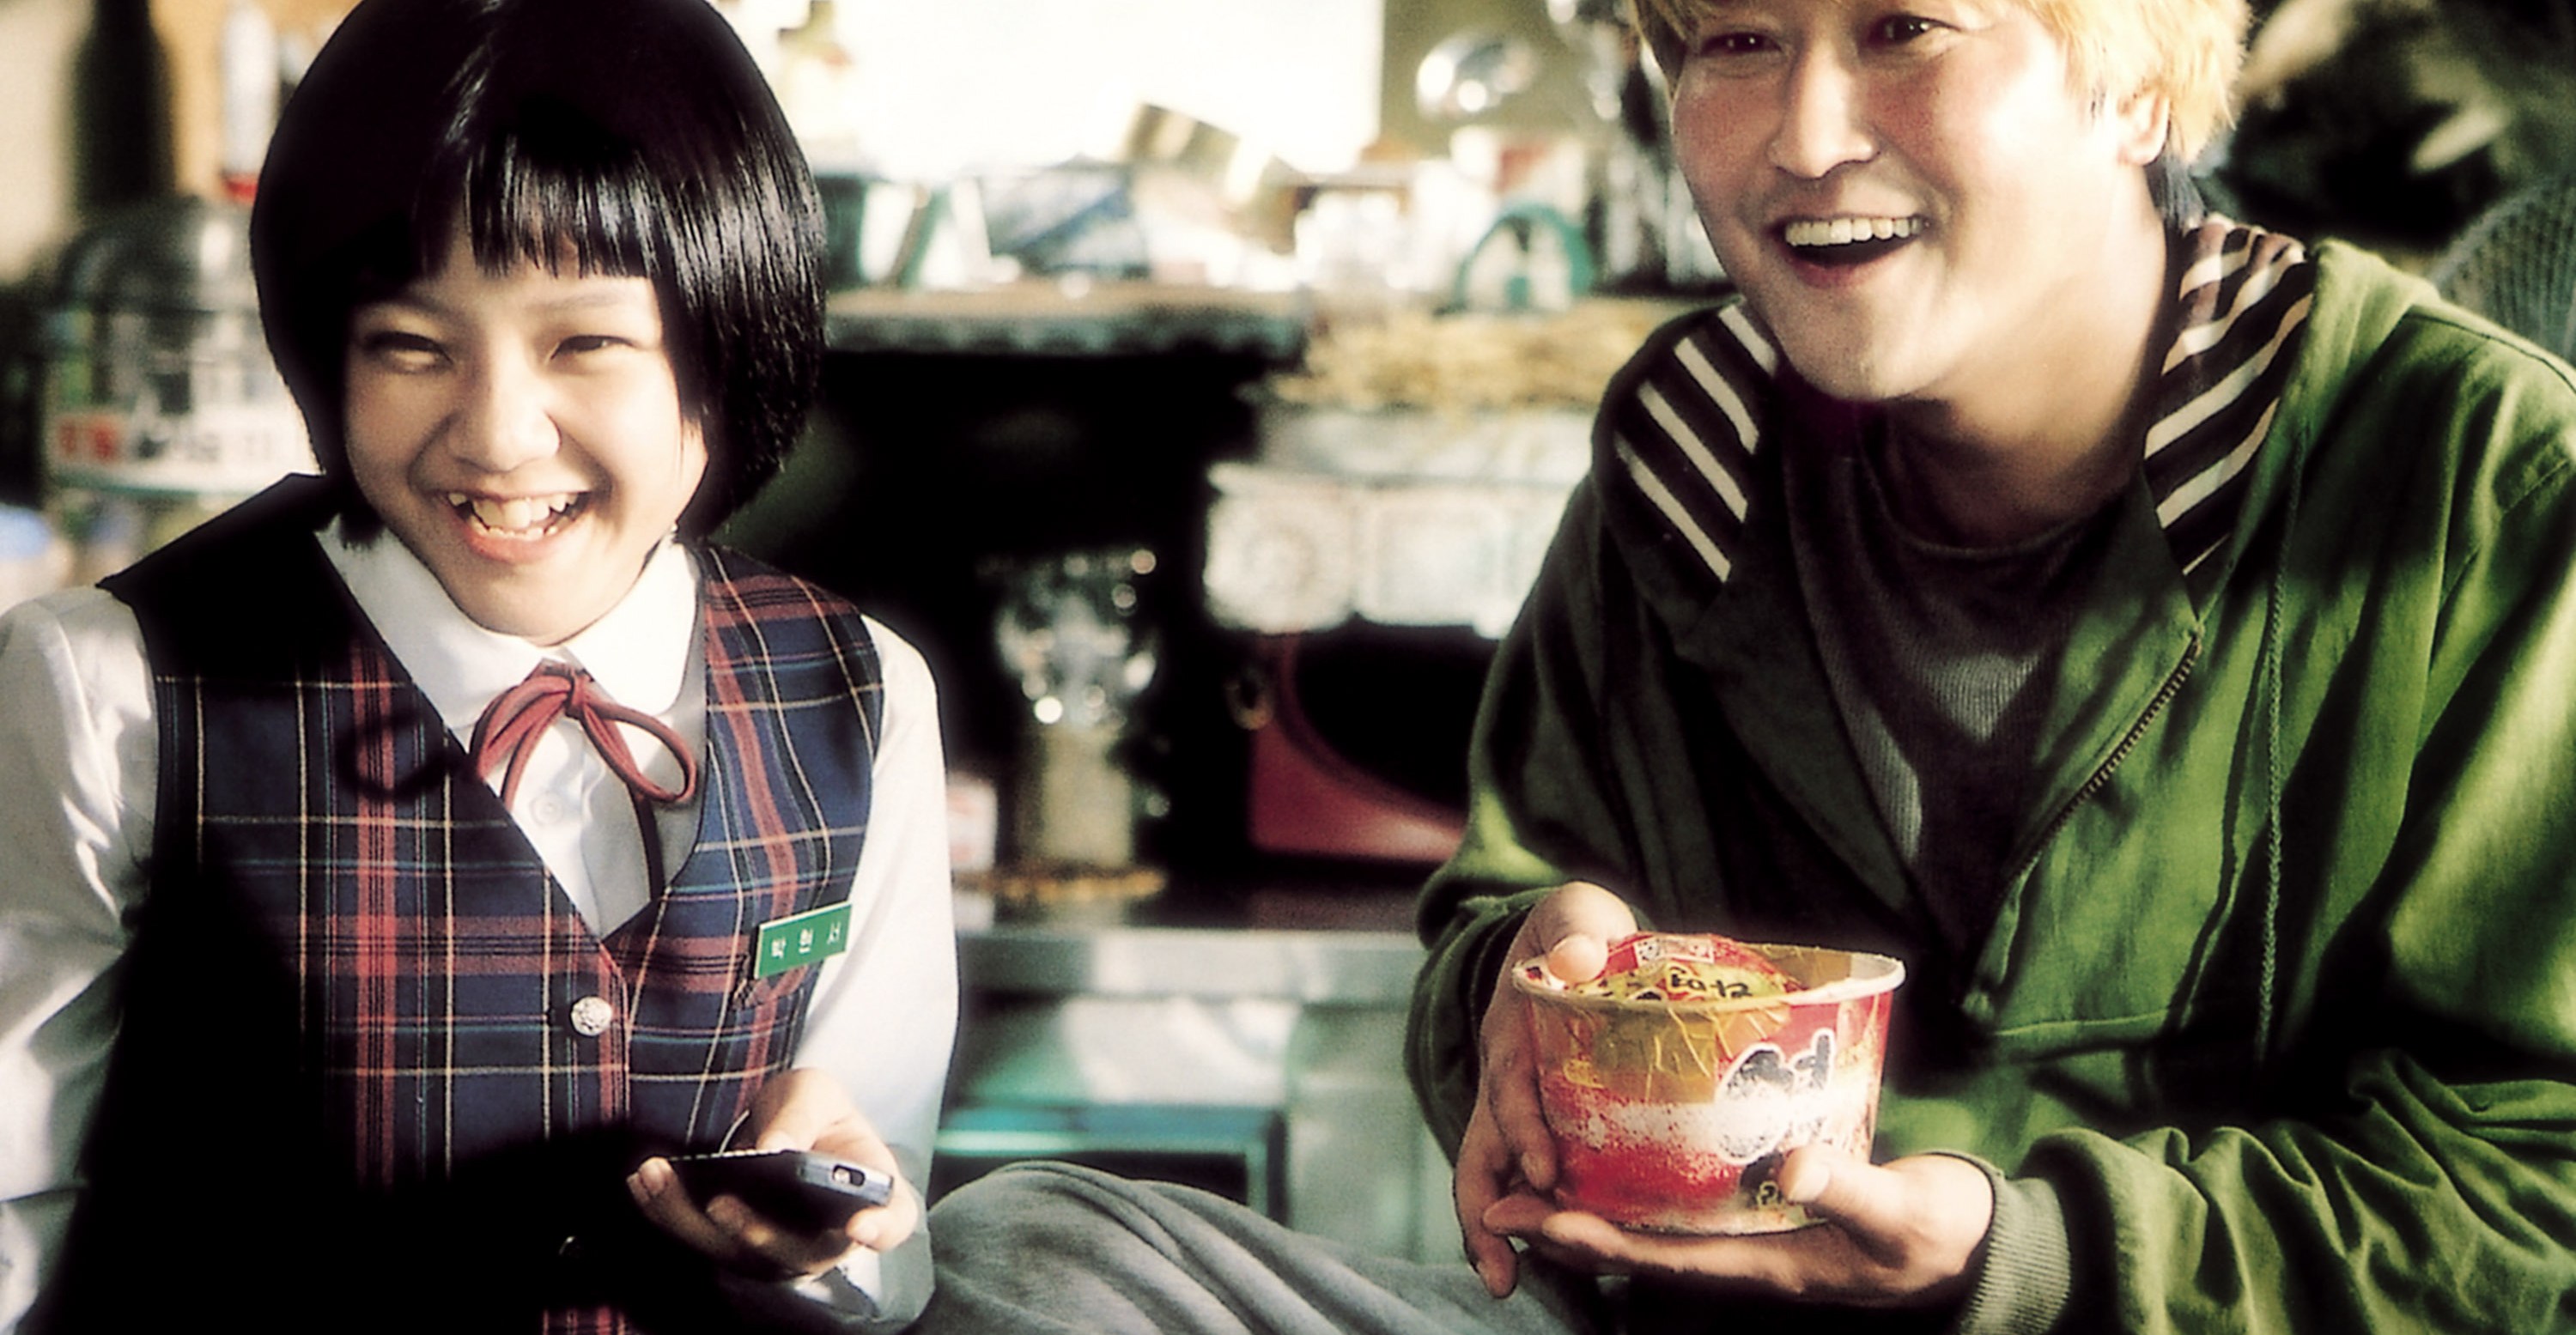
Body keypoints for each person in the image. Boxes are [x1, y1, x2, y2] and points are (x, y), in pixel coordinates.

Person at [912, 0, 2576, 1330]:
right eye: (1733, 40)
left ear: (2137, 89)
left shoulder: (2473, 477)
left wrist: (2017, 1251)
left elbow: (2536, 1209)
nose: (1806, 135)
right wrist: (1520, 984)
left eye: (1907, 30)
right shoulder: (1692, 443)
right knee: (1028, 1253)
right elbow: (1520, 898)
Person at [0, 0, 957, 1329]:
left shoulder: (860, 694)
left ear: (725, 349)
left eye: (588, 342)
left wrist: (837, 1224)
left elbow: (884, 1216)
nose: (500, 437)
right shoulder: (105, 690)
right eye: (412, 345)